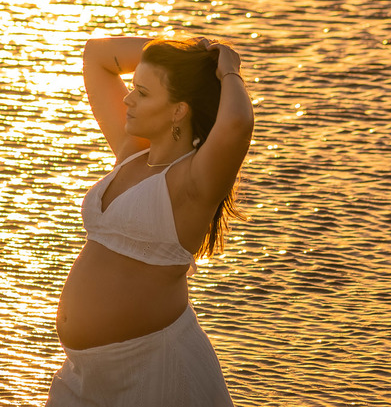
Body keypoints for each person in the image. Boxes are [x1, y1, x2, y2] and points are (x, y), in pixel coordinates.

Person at [46, 35, 253, 407]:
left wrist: (228, 70)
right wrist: (194, 51)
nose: (128, 98)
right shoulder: (133, 152)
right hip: (83, 374)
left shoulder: (193, 182)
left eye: (142, 92)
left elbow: (237, 123)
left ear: (178, 111)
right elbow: (96, 56)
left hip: (154, 372)